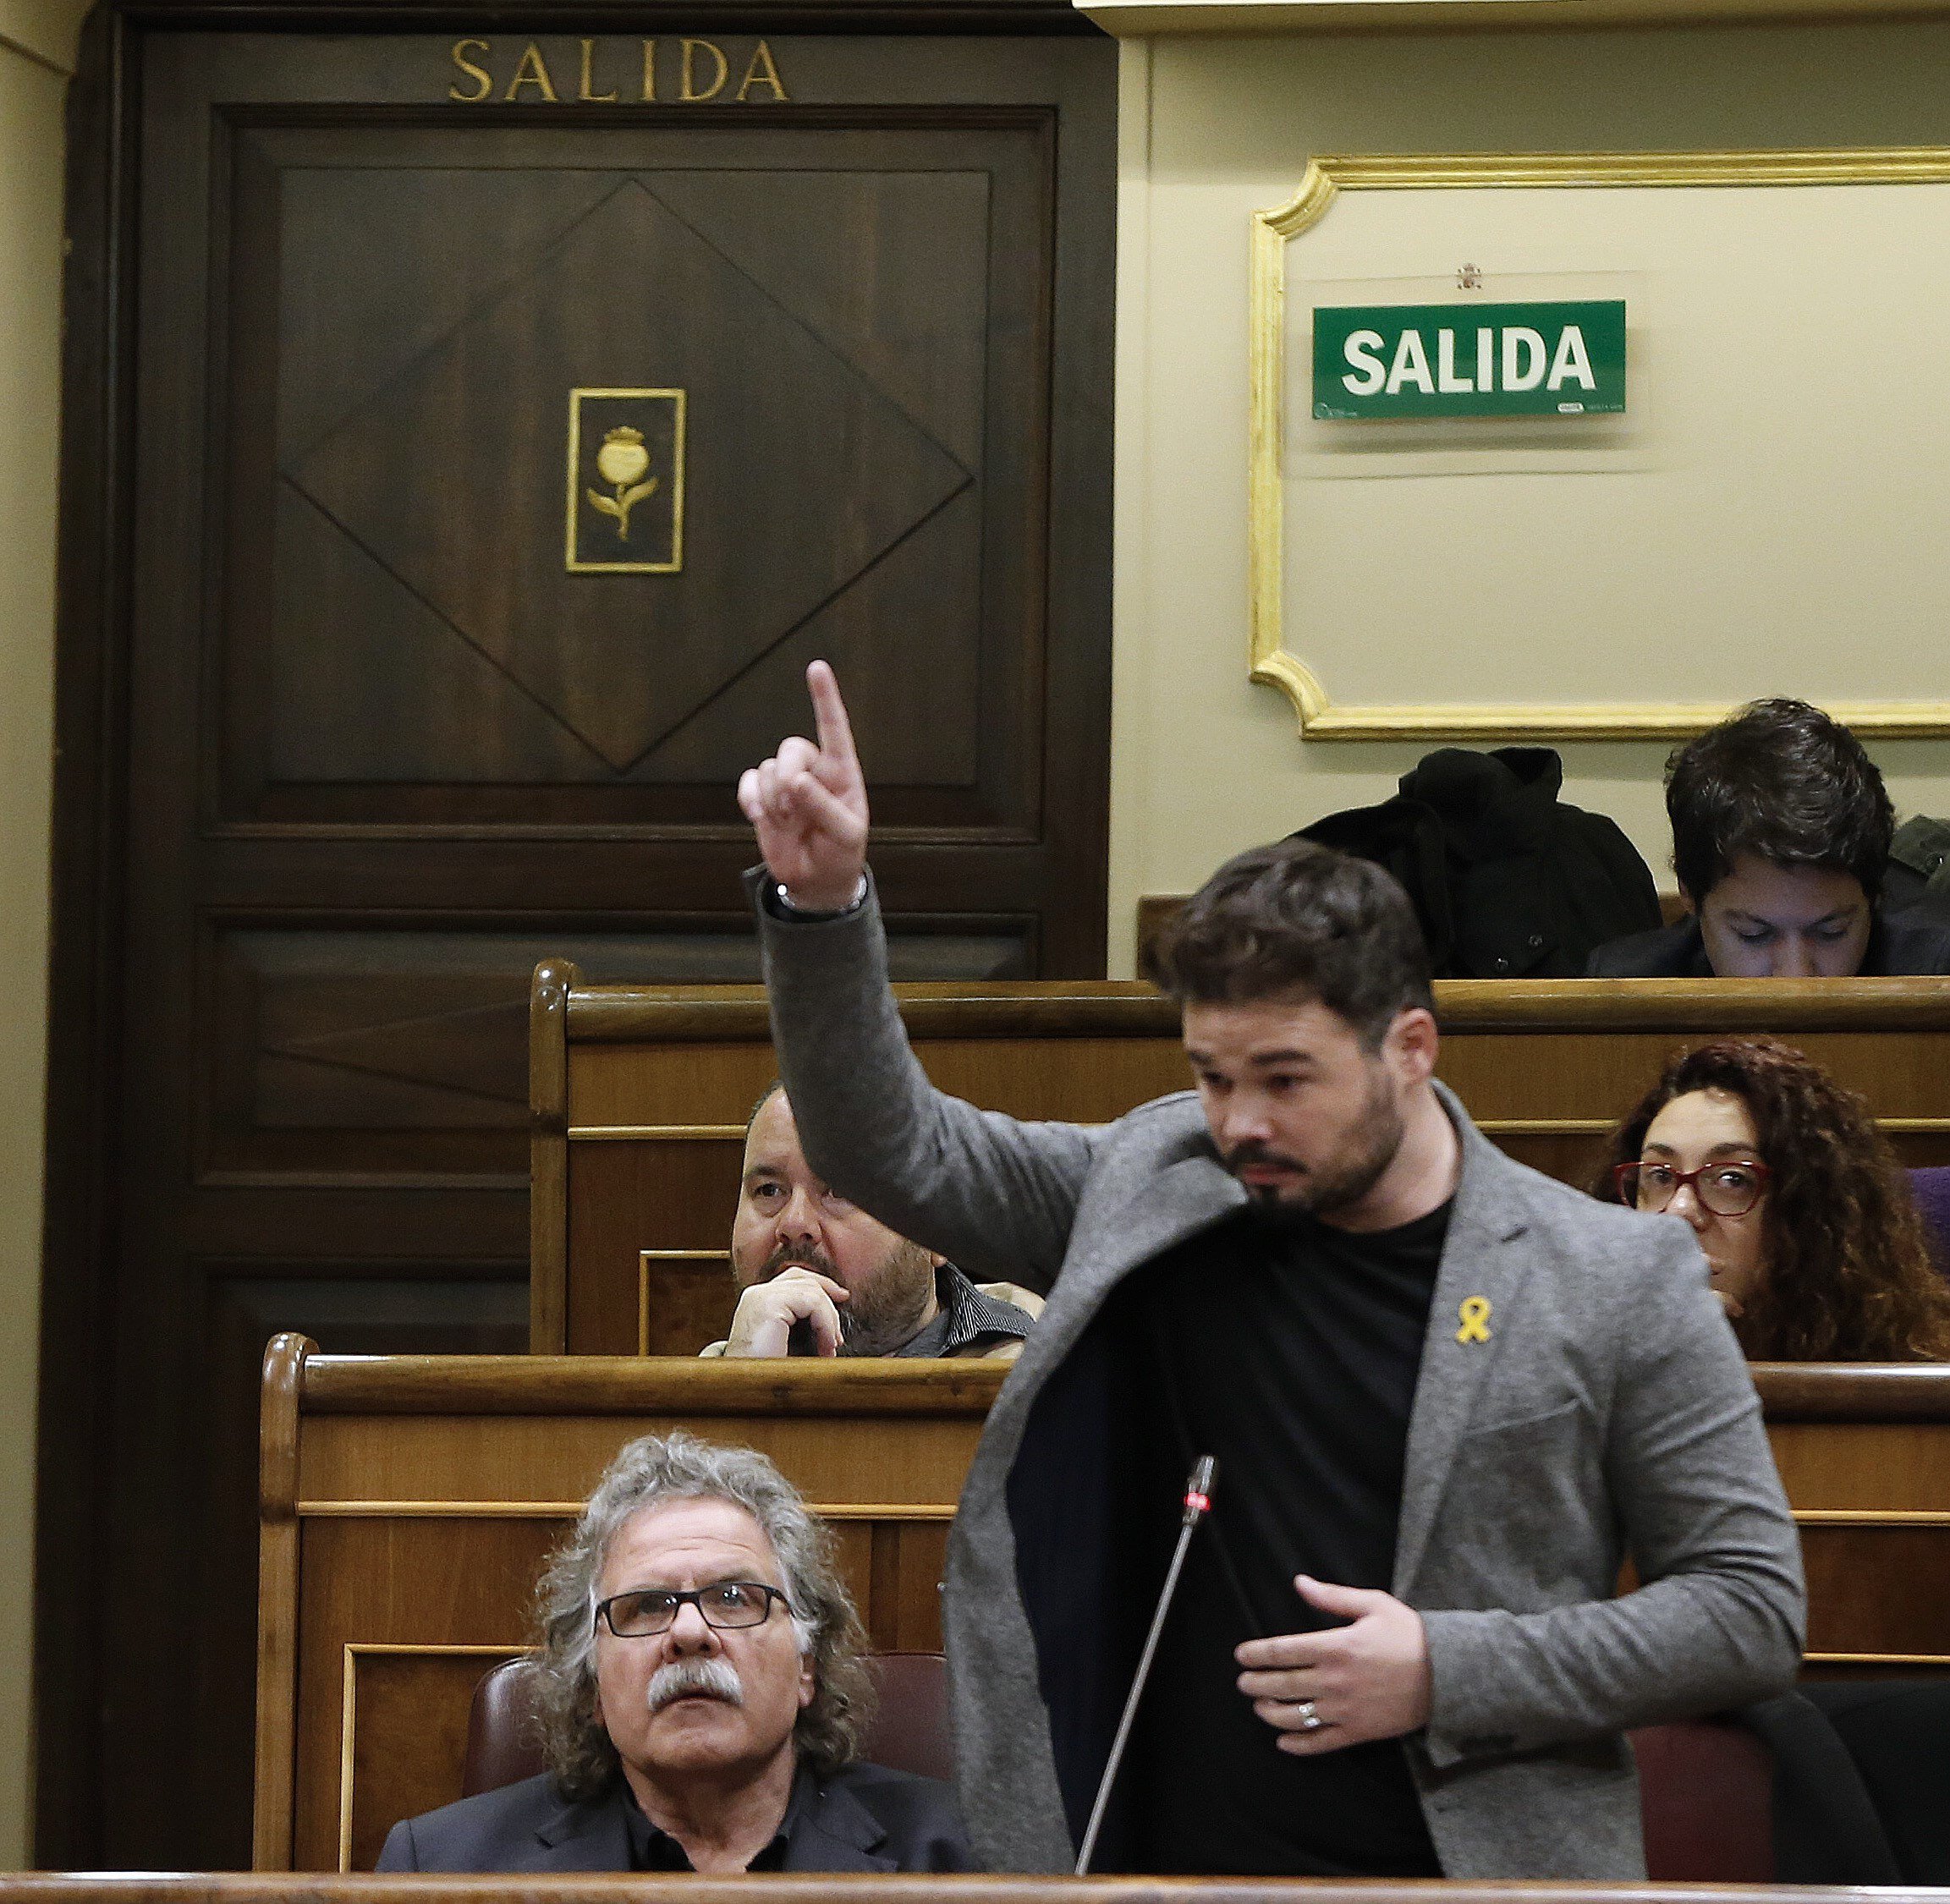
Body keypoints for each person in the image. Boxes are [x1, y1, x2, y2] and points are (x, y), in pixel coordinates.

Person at [733, 661, 1804, 1882]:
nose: (1237, 1119)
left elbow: (1747, 1608)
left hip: (1469, 1873)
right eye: (1210, 1072)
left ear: (1409, 1044)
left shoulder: (1610, 1274)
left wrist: (1448, 1667)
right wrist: (822, 907)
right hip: (1160, 1865)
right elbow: (893, 1148)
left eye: (1284, 1078)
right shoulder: (1154, 1177)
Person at [376, 1431, 973, 1873]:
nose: (689, 1631)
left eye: (735, 1596)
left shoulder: (961, 1857)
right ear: (592, 1688)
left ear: (806, 1665)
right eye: (647, 1606)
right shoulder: (442, 1869)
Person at [1598, 1036, 1950, 1361]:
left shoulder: (1904, 1400)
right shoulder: (1591, 1363)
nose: (1679, 1212)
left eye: (1732, 1179)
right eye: (1659, 1176)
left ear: (1808, 1215)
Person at [1587, 698, 1950, 977]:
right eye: (1753, 935)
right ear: (1688, 893)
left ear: (1876, 894)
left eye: (1831, 931)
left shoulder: (1936, 970)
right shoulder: (1630, 987)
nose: (1796, 977)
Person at [701, 1082, 1040, 1359]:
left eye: (841, 1191)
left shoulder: (1035, 1384)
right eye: (769, 1190)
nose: (794, 1223)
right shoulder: (701, 1389)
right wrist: (742, 1385)